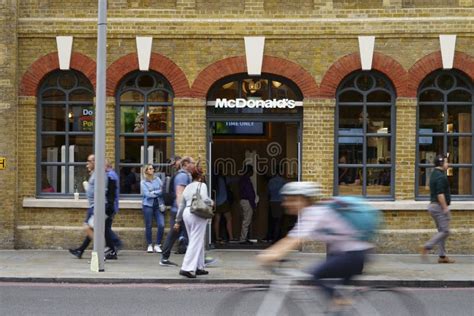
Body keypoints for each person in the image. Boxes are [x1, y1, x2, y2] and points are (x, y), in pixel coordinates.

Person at [257, 182, 374, 303]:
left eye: (292, 200)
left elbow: (294, 240)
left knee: (315, 274)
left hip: (352, 255)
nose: (286, 204)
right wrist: (273, 252)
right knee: (332, 287)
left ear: (303, 200)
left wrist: (271, 255)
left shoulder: (314, 214)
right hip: (350, 253)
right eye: (286, 200)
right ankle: (339, 304)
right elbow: (290, 238)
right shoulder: (311, 213)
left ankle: (339, 301)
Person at [69, 155, 118, 260]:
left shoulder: (101, 174)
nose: (87, 164)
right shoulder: (96, 174)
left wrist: (100, 208)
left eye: (89, 161)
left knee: (89, 227)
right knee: (94, 229)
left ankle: (104, 249)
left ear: (95, 162)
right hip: (94, 206)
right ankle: (86, 250)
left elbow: (102, 191)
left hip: (98, 207)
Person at [175, 165, 213, 278]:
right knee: (196, 241)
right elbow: (205, 198)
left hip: (187, 212)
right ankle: (186, 268)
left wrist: (178, 220)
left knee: (197, 239)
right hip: (198, 213)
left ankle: (199, 266)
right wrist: (212, 202)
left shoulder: (187, 187)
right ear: (200, 176)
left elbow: (181, 205)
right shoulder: (202, 185)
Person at [159, 156, 194, 266]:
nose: (193, 165)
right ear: (185, 164)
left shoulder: (184, 175)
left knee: (175, 234)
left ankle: (164, 258)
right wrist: (180, 216)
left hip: (179, 210)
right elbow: (180, 195)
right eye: (192, 163)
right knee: (192, 234)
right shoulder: (182, 176)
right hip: (180, 211)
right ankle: (199, 258)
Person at [421, 154, 455, 264]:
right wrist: (445, 208)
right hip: (438, 206)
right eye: (446, 162)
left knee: (441, 231)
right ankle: (427, 246)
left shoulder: (434, 174)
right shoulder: (441, 176)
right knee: (445, 231)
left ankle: (442, 256)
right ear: (441, 163)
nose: (448, 164)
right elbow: (440, 194)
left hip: (433, 206)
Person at [140, 164, 165, 253]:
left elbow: (162, 190)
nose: (152, 170)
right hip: (148, 205)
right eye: (150, 169)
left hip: (159, 204)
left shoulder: (157, 179)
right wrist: (156, 192)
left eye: (152, 168)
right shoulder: (143, 182)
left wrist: (153, 192)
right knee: (149, 225)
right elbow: (147, 194)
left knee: (161, 224)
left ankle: (158, 244)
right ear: (146, 171)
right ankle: (149, 244)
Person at [213, 168, 235, 244]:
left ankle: (217, 237)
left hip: (216, 201)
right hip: (224, 201)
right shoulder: (223, 179)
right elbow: (233, 181)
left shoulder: (214, 179)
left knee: (217, 220)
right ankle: (231, 237)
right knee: (229, 218)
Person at [266, 170, 286, 243]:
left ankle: (273, 237)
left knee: (274, 221)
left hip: (272, 202)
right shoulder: (283, 181)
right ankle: (277, 238)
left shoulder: (271, 181)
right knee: (279, 221)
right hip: (280, 202)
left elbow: (268, 192)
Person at [239, 164, 256, 245]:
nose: (253, 172)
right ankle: (243, 239)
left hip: (243, 200)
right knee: (246, 221)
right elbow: (250, 193)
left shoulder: (243, 179)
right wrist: (253, 204)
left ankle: (245, 237)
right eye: (252, 170)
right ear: (249, 171)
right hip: (247, 201)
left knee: (246, 220)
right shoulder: (246, 180)